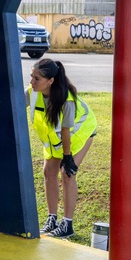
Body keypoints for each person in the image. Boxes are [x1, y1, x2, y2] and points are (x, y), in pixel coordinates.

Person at [27, 58, 97, 238]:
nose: (32, 82)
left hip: (80, 134)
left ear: (50, 81)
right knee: (48, 173)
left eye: (37, 79)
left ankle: (67, 224)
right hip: (55, 140)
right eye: (32, 76)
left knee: (67, 174)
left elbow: (66, 131)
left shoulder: (67, 100)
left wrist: (67, 158)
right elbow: (13, 106)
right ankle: (52, 219)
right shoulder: (32, 92)